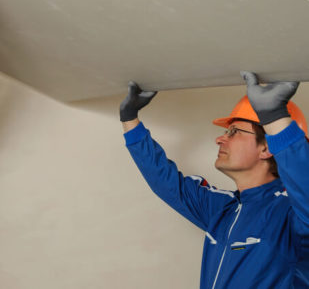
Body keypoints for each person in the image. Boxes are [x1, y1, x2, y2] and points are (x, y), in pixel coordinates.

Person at [119, 71, 309, 288]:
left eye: (234, 131)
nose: (220, 139)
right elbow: (166, 182)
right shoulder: (223, 208)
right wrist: (129, 119)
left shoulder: (290, 213)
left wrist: (274, 116)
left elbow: (304, 185)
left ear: (266, 147)